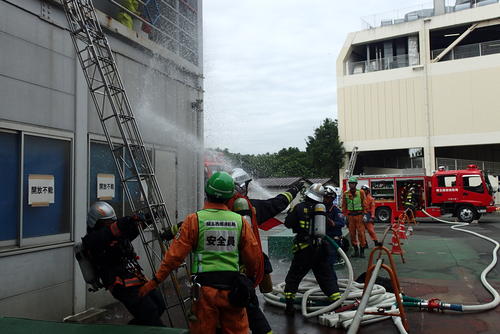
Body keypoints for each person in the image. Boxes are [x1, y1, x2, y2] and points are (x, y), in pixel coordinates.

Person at [139, 171, 262, 334]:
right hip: (232, 290)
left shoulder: (194, 220)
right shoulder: (239, 221)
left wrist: (154, 282)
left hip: (204, 292)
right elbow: (253, 257)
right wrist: (250, 278)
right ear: (229, 197)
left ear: (207, 192)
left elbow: (174, 257)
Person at [227, 168, 303, 334]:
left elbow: (194, 222)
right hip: (242, 270)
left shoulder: (216, 210)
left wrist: (172, 231)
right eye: (246, 185)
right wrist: (295, 189)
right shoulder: (251, 207)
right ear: (241, 186)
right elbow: (277, 203)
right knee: (250, 306)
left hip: (218, 272)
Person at [81, 201, 166, 326]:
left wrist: (150, 217)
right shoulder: (93, 239)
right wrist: (130, 219)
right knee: (150, 314)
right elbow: (116, 229)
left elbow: (132, 229)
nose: (111, 224)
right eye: (108, 222)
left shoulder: (114, 235)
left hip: (135, 278)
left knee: (159, 305)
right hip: (121, 285)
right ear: (96, 222)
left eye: (112, 221)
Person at [283, 183, 341, 316]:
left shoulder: (298, 207)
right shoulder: (321, 209)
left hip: (304, 249)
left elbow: (288, 224)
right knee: (326, 277)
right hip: (320, 248)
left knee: (294, 277)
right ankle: (337, 302)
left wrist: (292, 213)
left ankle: (289, 306)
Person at [342, 177, 367, 258]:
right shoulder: (346, 193)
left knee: (361, 234)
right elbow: (344, 206)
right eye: (350, 183)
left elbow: (364, 204)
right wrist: (345, 216)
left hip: (359, 216)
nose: (351, 185)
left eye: (352, 183)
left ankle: (362, 251)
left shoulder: (361, 192)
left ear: (356, 184)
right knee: (352, 234)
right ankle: (356, 251)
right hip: (350, 216)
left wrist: (365, 215)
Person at [324, 185, 347, 264]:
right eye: (324, 197)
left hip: (333, 239)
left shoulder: (335, 210)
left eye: (327, 197)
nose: (325, 199)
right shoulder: (320, 208)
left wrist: (332, 223)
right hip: (323, 238)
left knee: (331, 258)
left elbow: (342, 223)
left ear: (332, 198)